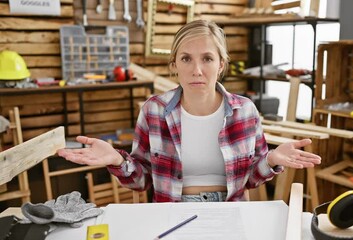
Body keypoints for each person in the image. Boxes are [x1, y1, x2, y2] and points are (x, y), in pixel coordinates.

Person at [57, 19, 321, 202]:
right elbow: (142, 181)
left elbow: (251, 179)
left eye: (207, 58)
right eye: (186, 59)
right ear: (175, 64)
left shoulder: (245, 111)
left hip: (230, 209)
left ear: (221, 64)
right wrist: (117, 160)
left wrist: (272, 159)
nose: (197, 70)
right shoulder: (154, 111)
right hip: (173, 209)